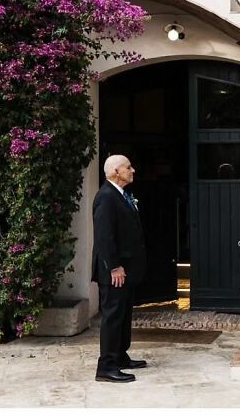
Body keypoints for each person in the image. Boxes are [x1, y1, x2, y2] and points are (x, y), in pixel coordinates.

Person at [92, 155, 148, 383]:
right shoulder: (106, 197)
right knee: (113, 316)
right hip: (114, 271)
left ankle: (120, 355)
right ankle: (106, 366)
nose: (132, 170)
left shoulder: (121, 195)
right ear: (115, 171)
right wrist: (114, 266)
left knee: (124, 314)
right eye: (128, 167)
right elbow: (104, 236)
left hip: (127, 269)